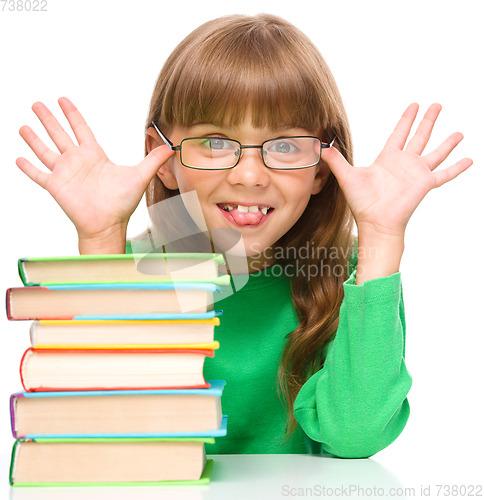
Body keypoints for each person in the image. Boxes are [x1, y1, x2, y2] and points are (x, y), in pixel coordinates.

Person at [15, 14, 472, 458]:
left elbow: (354, 437)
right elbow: (102, 440)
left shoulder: (355, 274)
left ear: (321, 167)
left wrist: (381, 235)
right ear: (165, 159)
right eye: (214, 141)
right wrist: (101, 239)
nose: (249, 175)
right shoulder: (132, 265)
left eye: (286, 145)